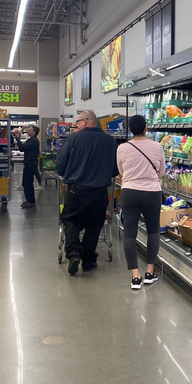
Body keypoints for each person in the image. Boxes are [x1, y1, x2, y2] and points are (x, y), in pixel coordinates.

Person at [57, 111, 118, 275]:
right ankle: (89, 260)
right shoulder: (111, 141)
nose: (76, 125)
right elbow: (115, 170)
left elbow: (60, 165)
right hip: (99, 192)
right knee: (94, 226)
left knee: (71, 221)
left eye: (77, 122)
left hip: (76, 190)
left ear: (85, 122)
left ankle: (73, 254)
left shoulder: (73, 139)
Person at [117, 114, 165, 290]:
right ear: (146, 128)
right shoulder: (157, 146)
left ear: (130, 129)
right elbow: (162, 172)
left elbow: (121, 171)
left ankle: (135, 276)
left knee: (130, 234)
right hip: (152, 192)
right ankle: (150, 272)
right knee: (153, 231)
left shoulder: (122, 148)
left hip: (129, 191)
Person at [11, 124, 40, 208]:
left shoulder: (33, 141)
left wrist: (17, 138)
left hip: (30, 164)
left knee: (27, 183)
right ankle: (29, 200)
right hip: (29, 164)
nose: (28, 130)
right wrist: (21, 130)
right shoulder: (32, 140)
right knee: (26, 183)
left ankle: (31, 201)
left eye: (30, 129)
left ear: (34, 132)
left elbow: (22, 148)